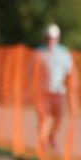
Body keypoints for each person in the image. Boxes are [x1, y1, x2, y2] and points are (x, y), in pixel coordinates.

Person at [34, 23, 75, 151]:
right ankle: (42, 145)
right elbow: (31, 73)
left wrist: (71, 95)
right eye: (48, 38)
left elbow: (70, 73)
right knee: (44, 118)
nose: (51, 40)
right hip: (43, 92)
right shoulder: (39, 53)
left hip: (59, 93)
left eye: (53, 38)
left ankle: (51, 136)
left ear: (57, 39)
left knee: (59, 118)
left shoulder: (64, 54)